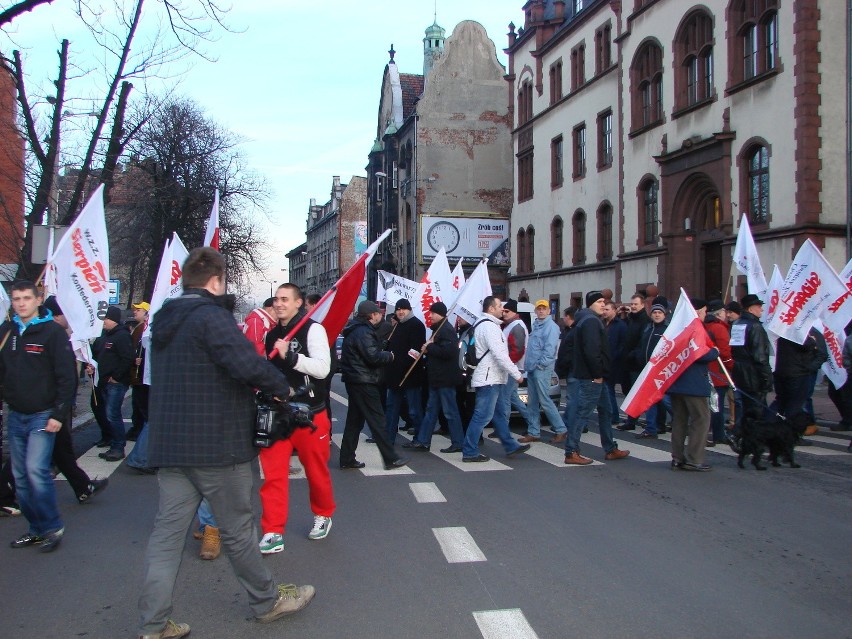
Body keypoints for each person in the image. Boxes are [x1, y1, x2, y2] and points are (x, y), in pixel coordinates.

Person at [137, 247, 314, 639]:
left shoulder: (163, 320)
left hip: (171, 445)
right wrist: (282, 387)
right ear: (216, 281)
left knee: (166, 537)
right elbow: (246, 363)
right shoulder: (211, 317)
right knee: (237, 530)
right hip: (217, 444)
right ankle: (266, 602)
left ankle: (153, 624)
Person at [258, 283, 335, 555]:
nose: (279, 304)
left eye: (285, 299)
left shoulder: (313, 329)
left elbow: (323, 369)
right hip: (278, 414)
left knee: (316, 472)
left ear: (298, 303)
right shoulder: (271, 335)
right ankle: (272, 530)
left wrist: (290, 357)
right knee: (273, 475)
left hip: (309, 414)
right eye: (277, 299)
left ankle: (323, 513)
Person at [1, 281, 77, 552]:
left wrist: (58, 413)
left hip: (42, 415)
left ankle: (53, 526)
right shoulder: (7, 331)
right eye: (16, 299)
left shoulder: (52, 333)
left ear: (37, 299)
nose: (21, 303)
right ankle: (35, 529)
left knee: (35, 471)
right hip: (16, 414)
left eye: (25, 298)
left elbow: (67, 377)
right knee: (20, 478)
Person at [338, 301, 409, 470]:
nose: (380, 315)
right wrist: (388, 355)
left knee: (354, 422)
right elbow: (372, 357)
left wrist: (379, 347)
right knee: (378, 420)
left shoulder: (356, 330)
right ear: (371, 315)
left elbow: (366, 352)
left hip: (355, 380)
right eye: (378, 313)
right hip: (364, 381)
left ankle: (347, 458)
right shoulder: (363, 332)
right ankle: (390, 458)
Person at [461, 296, 531, 462]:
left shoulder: (483, 324)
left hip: (491, 377)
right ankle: (469, 451)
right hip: (489, 378)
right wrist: (517, 374)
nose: (502, 309)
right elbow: (500, 355)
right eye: (499, 306)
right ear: (491, 309)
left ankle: (510, 445)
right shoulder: (490, 327)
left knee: (498, 415)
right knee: (482, 416)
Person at [563, 291, 629, 465]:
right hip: (592, 376)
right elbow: (592, 351)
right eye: (599, 301)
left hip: (591, 375)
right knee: (583, 413)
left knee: (605, 411)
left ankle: (610, 448)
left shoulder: (586, 319)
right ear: (591, 303)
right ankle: (571, 451)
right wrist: (598, 375)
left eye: (604, 301)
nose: (603, 304)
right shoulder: (591, 321)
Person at [404, 301, 465, 453]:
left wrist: (429, 348)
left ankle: (458, 442)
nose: (430, 315)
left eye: (433, 313)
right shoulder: (439, 329)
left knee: (450, 411)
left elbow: (449, 352)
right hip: (437, 378)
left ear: (441, 314)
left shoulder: (446, 330)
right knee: (431, 410)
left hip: (445, 379)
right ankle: (424, 441)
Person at [669, 299, 718, 471]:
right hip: (694, 383)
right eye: (703, 311)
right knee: (701, 420)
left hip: (677, 382)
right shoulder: (695, 330)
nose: (705, 314)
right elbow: (701, 354)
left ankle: (677, 457)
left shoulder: (677, 329)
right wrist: (714, 351)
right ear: (697, 312)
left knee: (679, 421)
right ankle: (694, 458)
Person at [518, 299, 567, 444]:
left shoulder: (551, 327)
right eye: (539, 308)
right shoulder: (537, 325)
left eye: (543, 308)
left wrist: (541, 365)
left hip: (541, 369)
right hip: (533, 368)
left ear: (548, 311)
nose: (541, 311)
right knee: (532, 401)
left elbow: (550, 349)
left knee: (544, 400)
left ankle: (560, 429)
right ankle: (534, 431)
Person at [89, 306, 134, 461]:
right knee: (109, 414)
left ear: (113, 319)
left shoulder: (121, 336)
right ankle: (113, 443)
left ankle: (118, 447)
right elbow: (98, 356)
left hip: (115, 383)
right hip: (104, 382)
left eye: (106, 319)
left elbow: (128, 358)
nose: (103, 322)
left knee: (113, 415)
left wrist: (116, 376)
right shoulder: (106, 336)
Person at [384, 298, 426, 444]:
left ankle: (420, 438)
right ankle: (388, 438)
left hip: (410, 374)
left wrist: (402, 363)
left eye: (403, 309)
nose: (400, 312)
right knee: (392, 408)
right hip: (395, 375)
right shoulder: (397, 326)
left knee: (414, 409)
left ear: (409, 309)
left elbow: (415, 351)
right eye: (398, 309)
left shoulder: (416, 325)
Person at [730, 294, 773, 437]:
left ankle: (741, 434)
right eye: (759, 307)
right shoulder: (755, 326)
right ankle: (746, 436)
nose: (761, 309)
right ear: (751, 309)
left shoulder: (737, 325)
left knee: (747, 407)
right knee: (756, 409)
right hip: (753, 373)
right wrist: (767, 377)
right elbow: (760, 356)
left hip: (739, 371)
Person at [630, 300, 670, 438]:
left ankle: (680, 421)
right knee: (650, 400)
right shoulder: (648, 328)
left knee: (665, 400)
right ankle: (651, 427)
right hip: (646, 369)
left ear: (664, 315)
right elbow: (642, 345)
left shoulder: (667, 329)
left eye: (660, 313)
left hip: (660, 371)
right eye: (655, 312)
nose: (657, 315)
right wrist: (637, 356)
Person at [618, 293, 650, 432]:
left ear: (643, 305)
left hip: (636, 363)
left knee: (636, 393)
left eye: (636, 304)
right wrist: (624, 317)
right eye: (632, 304)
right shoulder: (632, 319)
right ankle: (633, 418)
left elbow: (641, 342)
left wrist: (633, 355)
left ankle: (633, 420)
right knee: (628, 390)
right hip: (627, 362)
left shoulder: (645, 321)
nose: (633, 307)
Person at [704, 299, 734, 446]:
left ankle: (714, 433)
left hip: (707, 371)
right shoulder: (719, 328)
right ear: (719, 313)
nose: (726, 314)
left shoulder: (705, 325)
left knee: (712, 405)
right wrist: (732, 366)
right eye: (724, 311)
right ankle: (718, 434)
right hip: (718, 372)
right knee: (718, 406)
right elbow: (725, 352)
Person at [601, 300, 627, 426]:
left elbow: (622, 345)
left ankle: (613, 415)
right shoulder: (602, 324)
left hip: (613, 363)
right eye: (603, 309)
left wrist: (614, 357)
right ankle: (608, 414)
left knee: (608, 390)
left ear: (614, 310)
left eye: (607, 310)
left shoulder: (620, 325)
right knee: (605, 390)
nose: (604, 312)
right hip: (602, 362)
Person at [127, 301, 150, 441]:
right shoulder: (138, 328)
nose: (135, 312)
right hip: (137, 376)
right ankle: (137, 429)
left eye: (139, 310)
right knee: (137, 405)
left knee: (141, 405)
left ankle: (141, 431)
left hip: (141, 376)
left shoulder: (144, 329)